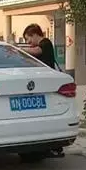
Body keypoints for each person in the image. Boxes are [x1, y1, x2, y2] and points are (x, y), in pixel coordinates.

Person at [22, 23, 65, 158]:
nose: (28, 42)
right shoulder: (40, 45)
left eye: (28, 39)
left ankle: (55, 148)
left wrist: (18, 49)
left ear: (34, 34)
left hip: (48, 83)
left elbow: (37, 51)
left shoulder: (45, 43)